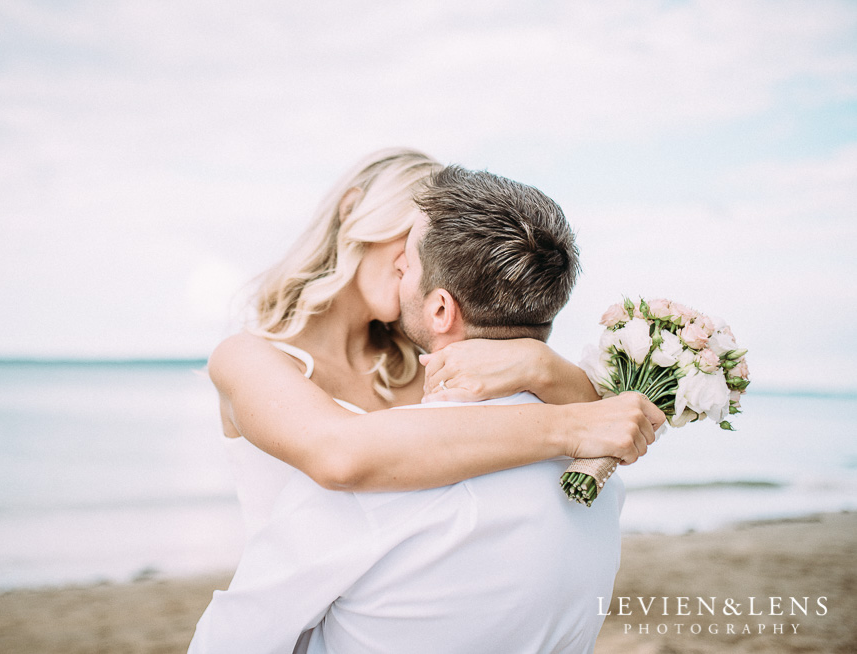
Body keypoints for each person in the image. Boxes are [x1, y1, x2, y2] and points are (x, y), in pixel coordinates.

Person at [190, 164, 662, 653]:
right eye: (410, 237)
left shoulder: (443, 367)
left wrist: (539, 364)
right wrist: (567, 421)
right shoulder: (252, 358)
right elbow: (341, 455)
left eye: (416, 251)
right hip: (292, 608)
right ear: (354, 216)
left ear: (440, 303)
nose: (402, 265)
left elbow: (607, 425)